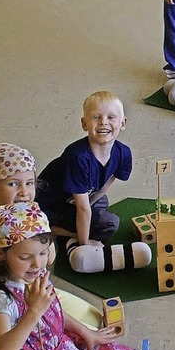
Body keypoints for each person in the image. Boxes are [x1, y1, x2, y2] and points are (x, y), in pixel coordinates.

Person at [0, 202, 143, 350]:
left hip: (64, 346)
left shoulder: (38, 275)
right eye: (25, 257)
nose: (37, 264)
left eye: (43, 253)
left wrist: (85, 332)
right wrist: (33, 311)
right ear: (0, 254)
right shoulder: (0, 297)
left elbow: (54, 312)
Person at [0, 143, 102, 350]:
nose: (24, 192)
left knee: (94, 319)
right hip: (10, 299)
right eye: (13, 184)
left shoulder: (32, 215)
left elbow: (48, 259)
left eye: (29, 183)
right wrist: (19, 311)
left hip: (31, 290)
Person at [36, 91, 131, 247]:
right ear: (84, 124)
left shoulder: (124, 153)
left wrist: (92, 201)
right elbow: (83, 208)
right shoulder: (77, 156)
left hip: (75, 198)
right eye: (96, 117)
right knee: (110, 223)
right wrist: (84, 243)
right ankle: (51, 229)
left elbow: (105, 186)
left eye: (111, 117)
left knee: (101, 201)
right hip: (49, 204)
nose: (103, 122)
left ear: (123, 123)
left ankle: (75, 226)